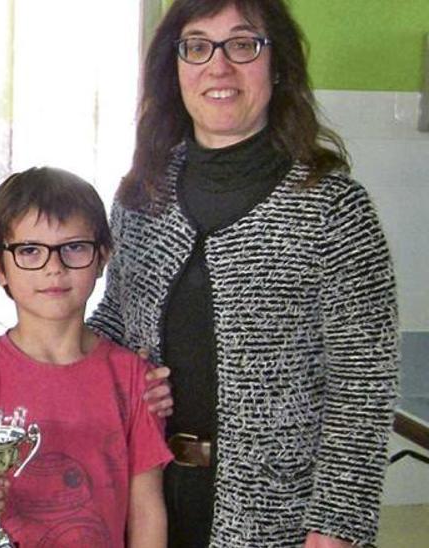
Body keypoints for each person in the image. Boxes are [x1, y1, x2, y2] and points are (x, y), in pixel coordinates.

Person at [86, 0, 400, 546]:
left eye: (243, 43)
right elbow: (113, 323)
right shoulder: (141, 198)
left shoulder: (333, 207)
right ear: (175, 67)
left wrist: (336, 524)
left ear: (276, 65)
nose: (219, 66)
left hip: (281, 513)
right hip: (149, 499)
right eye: (197, 45)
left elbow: (363, 381)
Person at [0, 167, 171, 547]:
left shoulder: (132, 379)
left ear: (102, 257)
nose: (54, 267)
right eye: (30, 250)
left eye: (74, 247)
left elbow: (146, 507)